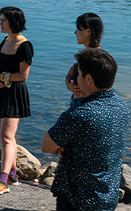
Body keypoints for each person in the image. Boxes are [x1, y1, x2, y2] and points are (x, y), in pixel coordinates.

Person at [42, 48, 129, 211]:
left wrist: (64, 147)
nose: (77, 78)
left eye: (79, 74)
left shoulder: (79, 115)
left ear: (88, 79)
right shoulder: (122, 106)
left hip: (78, 200)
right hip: (108, 198)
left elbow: (46, 146)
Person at [0, 6, 33, 195]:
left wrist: (1, 78)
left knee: (7, 137)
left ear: (13, 22)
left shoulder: (25, 45)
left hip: (14, 93)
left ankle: (3, 180)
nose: (0, 23)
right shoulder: (5, 41)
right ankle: (13, 174)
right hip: (1, 91)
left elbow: (23, 76)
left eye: (3, 20)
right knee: (6, 136)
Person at [64, 13, 103, 107]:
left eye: (78, 29)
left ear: (88, 31)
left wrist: (69, 83)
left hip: (84, 106)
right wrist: (69, 85)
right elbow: (70, 75)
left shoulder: (95, 58)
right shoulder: (87, 55)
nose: (75, 33)